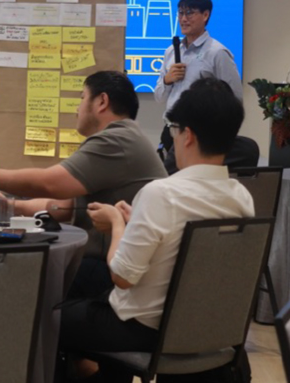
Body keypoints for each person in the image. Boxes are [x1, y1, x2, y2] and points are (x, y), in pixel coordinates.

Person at [58, 78, 254, 383]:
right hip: (206, 328)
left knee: (49, 316)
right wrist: (137, 220)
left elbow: (122, 277)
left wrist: (117, 223)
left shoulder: (161, 193)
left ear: (188, 135)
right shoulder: (241, 196)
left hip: (144, 328)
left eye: (174, 130)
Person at [0, 71, 167, 298]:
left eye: (82, 98)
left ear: (102, 101)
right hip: (119, 265)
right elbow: (63, 206)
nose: (77, 109)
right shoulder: (124, 137)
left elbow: (49, 184)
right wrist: (8, 206)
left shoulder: (117, 140)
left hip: (116, 271)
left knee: (20, 284)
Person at [154, 0, 242, 155]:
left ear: (205, 15)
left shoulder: (217, 52)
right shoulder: (171, 51)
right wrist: (167, 80)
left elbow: (234, 99)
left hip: (201, 134)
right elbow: (159, 98)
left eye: (189, 13)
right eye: (180, 13)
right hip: (171, 130)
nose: (183, 19)